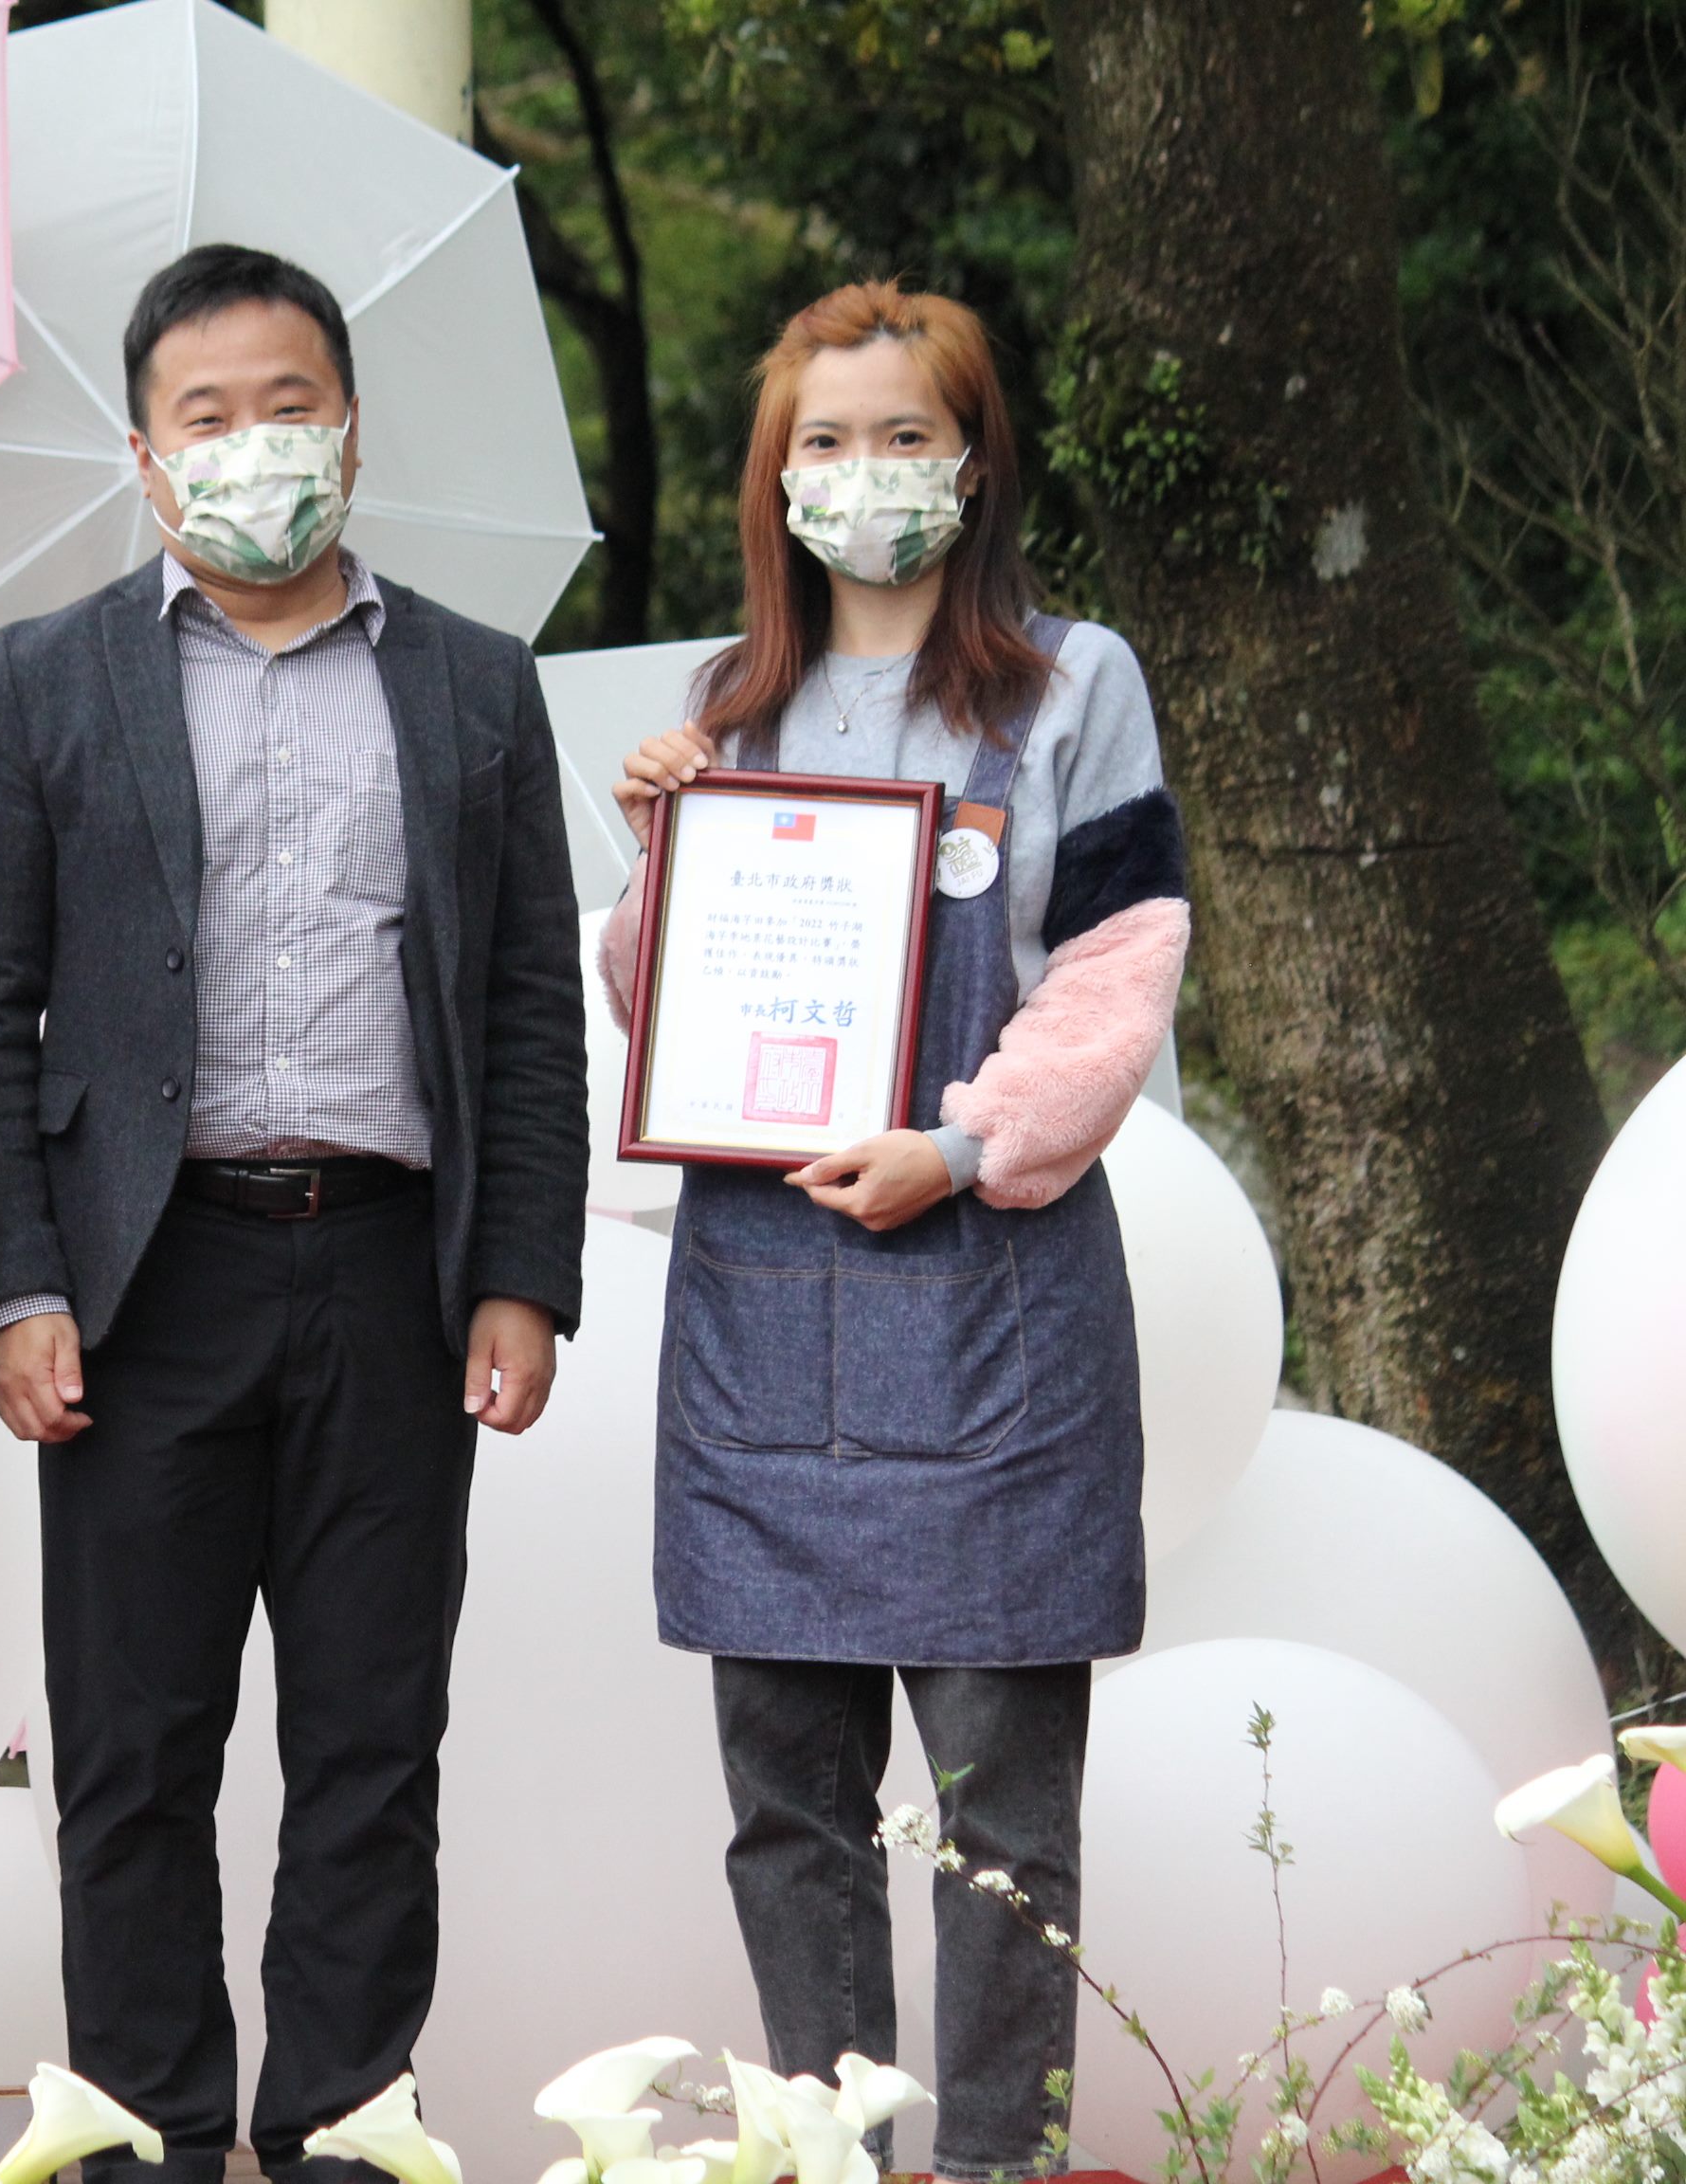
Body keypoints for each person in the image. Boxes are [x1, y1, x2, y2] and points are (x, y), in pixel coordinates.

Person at [0, 244, 589, 2183]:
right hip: (146, 1278)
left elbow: (528, 1005)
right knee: (132, 1754)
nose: (252, 447)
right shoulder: (44, 681)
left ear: (351, 430)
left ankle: (341, 2138)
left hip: (394, 1266)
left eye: (286, 407)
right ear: (146, 456)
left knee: (371, 1751)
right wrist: (15, 1285)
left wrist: (522, 1274)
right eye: (205, 417)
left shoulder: (474, 683)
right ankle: (143, 2139)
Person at [601, 281, 1188, 2178]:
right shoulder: (730, 709)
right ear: (777, 482)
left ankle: (997, 2166)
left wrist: (960, 1141)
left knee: (1005, 1830)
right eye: (828, 443)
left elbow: (1117, 973)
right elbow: (661, 1012)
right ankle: (826, 2155)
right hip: (762, 1330)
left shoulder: (1074, 685)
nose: (867, 475)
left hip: (996, 1312)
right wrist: (659, 850)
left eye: (906, 436)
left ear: (974, 461)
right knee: (790, 1813)